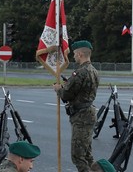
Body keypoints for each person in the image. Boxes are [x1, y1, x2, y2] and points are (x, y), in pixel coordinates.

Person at [53, 40, 100, 172]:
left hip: (81, 117)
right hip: (88, 112)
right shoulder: (94, 70)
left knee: (78, 156)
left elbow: (66, 94)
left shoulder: (79, 72)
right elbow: (83, 90)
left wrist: (58, 88)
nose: (73, 56)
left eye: (74, 54)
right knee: (87, 154)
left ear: (80, 54)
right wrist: (69, 84)